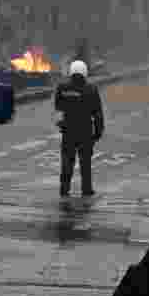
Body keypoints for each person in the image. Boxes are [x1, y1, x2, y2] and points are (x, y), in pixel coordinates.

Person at [53, 60, 104, 197]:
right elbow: (97, 113)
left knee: (67, 162)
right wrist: (98, 132)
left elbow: (58, 108)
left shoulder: (62, 88)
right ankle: (86, 190)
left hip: (68, 131)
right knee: (85, 163)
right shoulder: (91, 89)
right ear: (85, 72)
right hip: (85, 131)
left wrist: (61, 124)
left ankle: (64, 189)